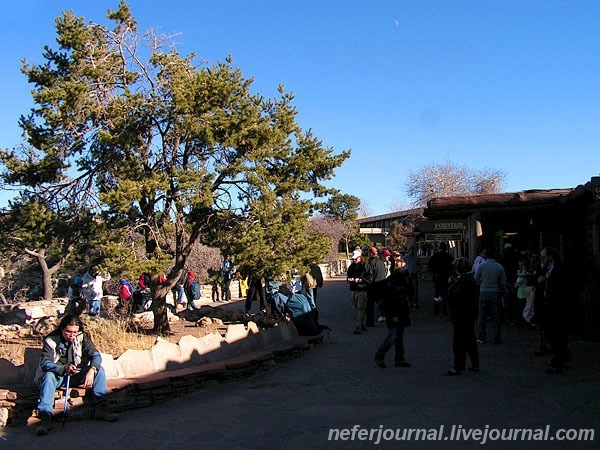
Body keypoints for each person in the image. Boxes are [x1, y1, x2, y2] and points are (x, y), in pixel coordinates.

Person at [34, 315, 117, 436]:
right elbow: (46, 363)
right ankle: (45, 418)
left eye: (74, 332)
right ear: (62, 329)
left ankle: (101, 409)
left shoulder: (82, 337)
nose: (71, 335)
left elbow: (96, 355)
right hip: (58, 376)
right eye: (68, 331)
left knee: (99, 370)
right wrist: (63, 369)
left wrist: (92, 370)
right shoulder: (51, 340)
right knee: (48, 376)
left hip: (76, 374)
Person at [445, 257, 480, 375]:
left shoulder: (463, 281)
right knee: (470, 339)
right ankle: (475, 363)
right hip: (468, 313)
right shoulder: (470, 280)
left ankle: (458, 365)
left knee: (459, 341)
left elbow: (453, 295)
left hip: (461, 314)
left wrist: (451, 285)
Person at [539, 247, 569, 374]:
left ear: (551, 257)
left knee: (555, 334)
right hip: (550, 306)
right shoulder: (548, 269)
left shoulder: (558, 270)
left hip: (557, 307)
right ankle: (562, 355)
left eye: (544, 257)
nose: (543, 260)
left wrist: (546, 280)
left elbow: (560, 288)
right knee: (554, 334)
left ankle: (557, 362)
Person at [374, 268, 412, 368]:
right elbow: (393, 301)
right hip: (395, 313)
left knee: (398, 336)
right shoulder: (395, 284)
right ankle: (379, 355)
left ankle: (399, 359)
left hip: (398, 312)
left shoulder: (396, 282)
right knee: (393, 336)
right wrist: (394, 315)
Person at [474, 249, 508, 344]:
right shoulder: (499, 267)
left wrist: (481, 284)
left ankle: (481, 337)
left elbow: (476, 279)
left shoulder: (482, 266)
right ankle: (496, 337)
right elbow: (503, 282)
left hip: (483, 291)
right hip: (495, 292)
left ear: (486, 256)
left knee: (482, 316)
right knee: (496, 316)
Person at [427, 242, 454, 315]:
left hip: (438, 276)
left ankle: (436, 309)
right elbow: (452, 266)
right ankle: (444, 310)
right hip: (446, 277)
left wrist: (434, 272)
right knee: (445, 293)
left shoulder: (435, 256)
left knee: (437, 293)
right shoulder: (448, 256)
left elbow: (429, 265)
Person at [362, 247, 387, 327]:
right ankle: (382, 316)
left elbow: (369, 276)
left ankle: (370, 322)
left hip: (372, 286)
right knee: (381, 303)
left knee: (370, 305)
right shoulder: (381, 262)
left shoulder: (369, 263)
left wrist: (363, 280)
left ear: (370, 254)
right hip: (381, 285)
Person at [346, 249, 368, 334]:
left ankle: (358, 325)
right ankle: (362, 323)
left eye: (355, 258)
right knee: (356, 307)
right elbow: (348, 276)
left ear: (360, 257)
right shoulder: (351, 267)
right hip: (353, 289)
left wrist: (360, 280)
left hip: (362, 289)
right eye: (353, 259)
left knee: (360, 308)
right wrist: (349, 279)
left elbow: (369, 278)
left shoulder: (365, 266)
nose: (354, 260)